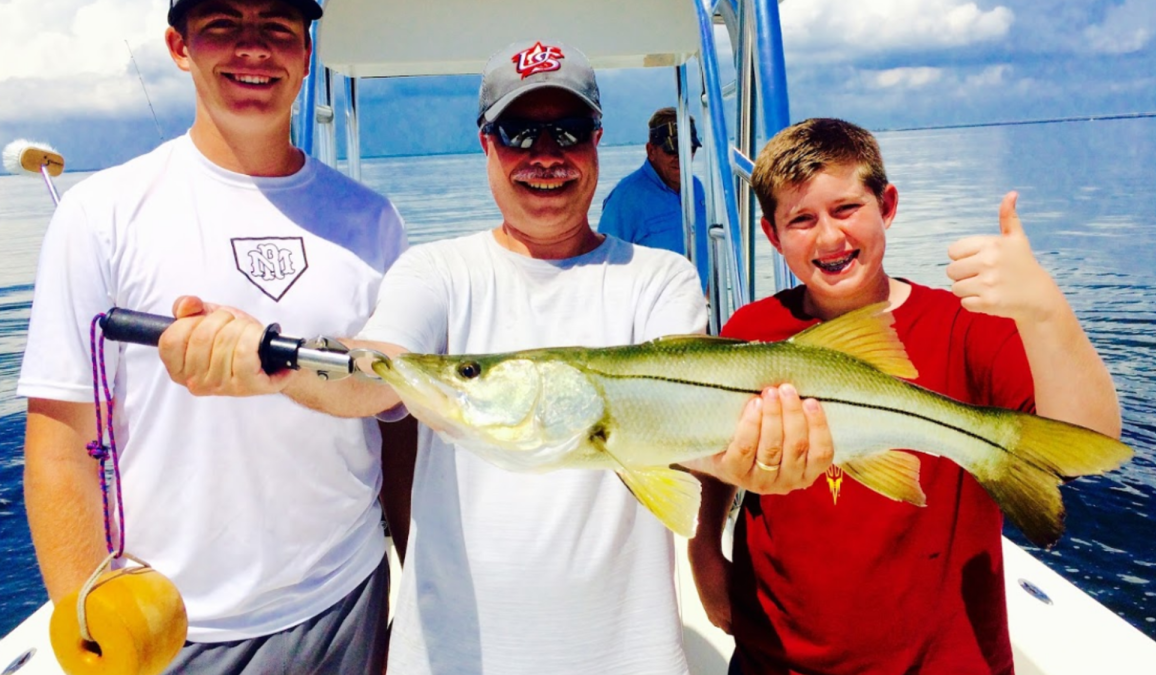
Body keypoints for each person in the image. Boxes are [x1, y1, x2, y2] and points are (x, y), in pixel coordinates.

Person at [157, 40, 834, 674]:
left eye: (567, 131)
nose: (545, 154)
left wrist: (763, 459)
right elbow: (380, 371)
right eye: (519, 133)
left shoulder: (659, 278)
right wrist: (278, 361)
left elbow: (690, 441)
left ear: (597, 141)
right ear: (486, 142)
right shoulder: (436, 272)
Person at [18, 1, 408, 672]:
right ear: (179, 45)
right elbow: (58, 449)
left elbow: (397, 421)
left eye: (278, 28)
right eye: (224, 23)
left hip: (349, 597)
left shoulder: (372, 220)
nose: (253, 48)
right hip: (169, 625)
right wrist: (91, 625)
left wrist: (418, 582)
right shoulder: (100, 214)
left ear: (307, 54)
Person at [688, 118, 1122, 675]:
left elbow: (1090, 440)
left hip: (942, 662)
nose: (828, 237)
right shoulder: (751, 327)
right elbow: (715, 459)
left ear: (886, 205)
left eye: (846, 209)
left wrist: (1045, 310)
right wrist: (704, 556)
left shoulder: (966, 326)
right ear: (773, 235)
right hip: (774, 656)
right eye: (801, 219)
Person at [599, 107, 709, 288]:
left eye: (688, 149)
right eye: (672, 151)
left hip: (696, 308)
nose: (681, 158)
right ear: (651, 150)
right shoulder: (624, 199)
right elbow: (605, 269)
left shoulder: (696, 188)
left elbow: (704, 254)